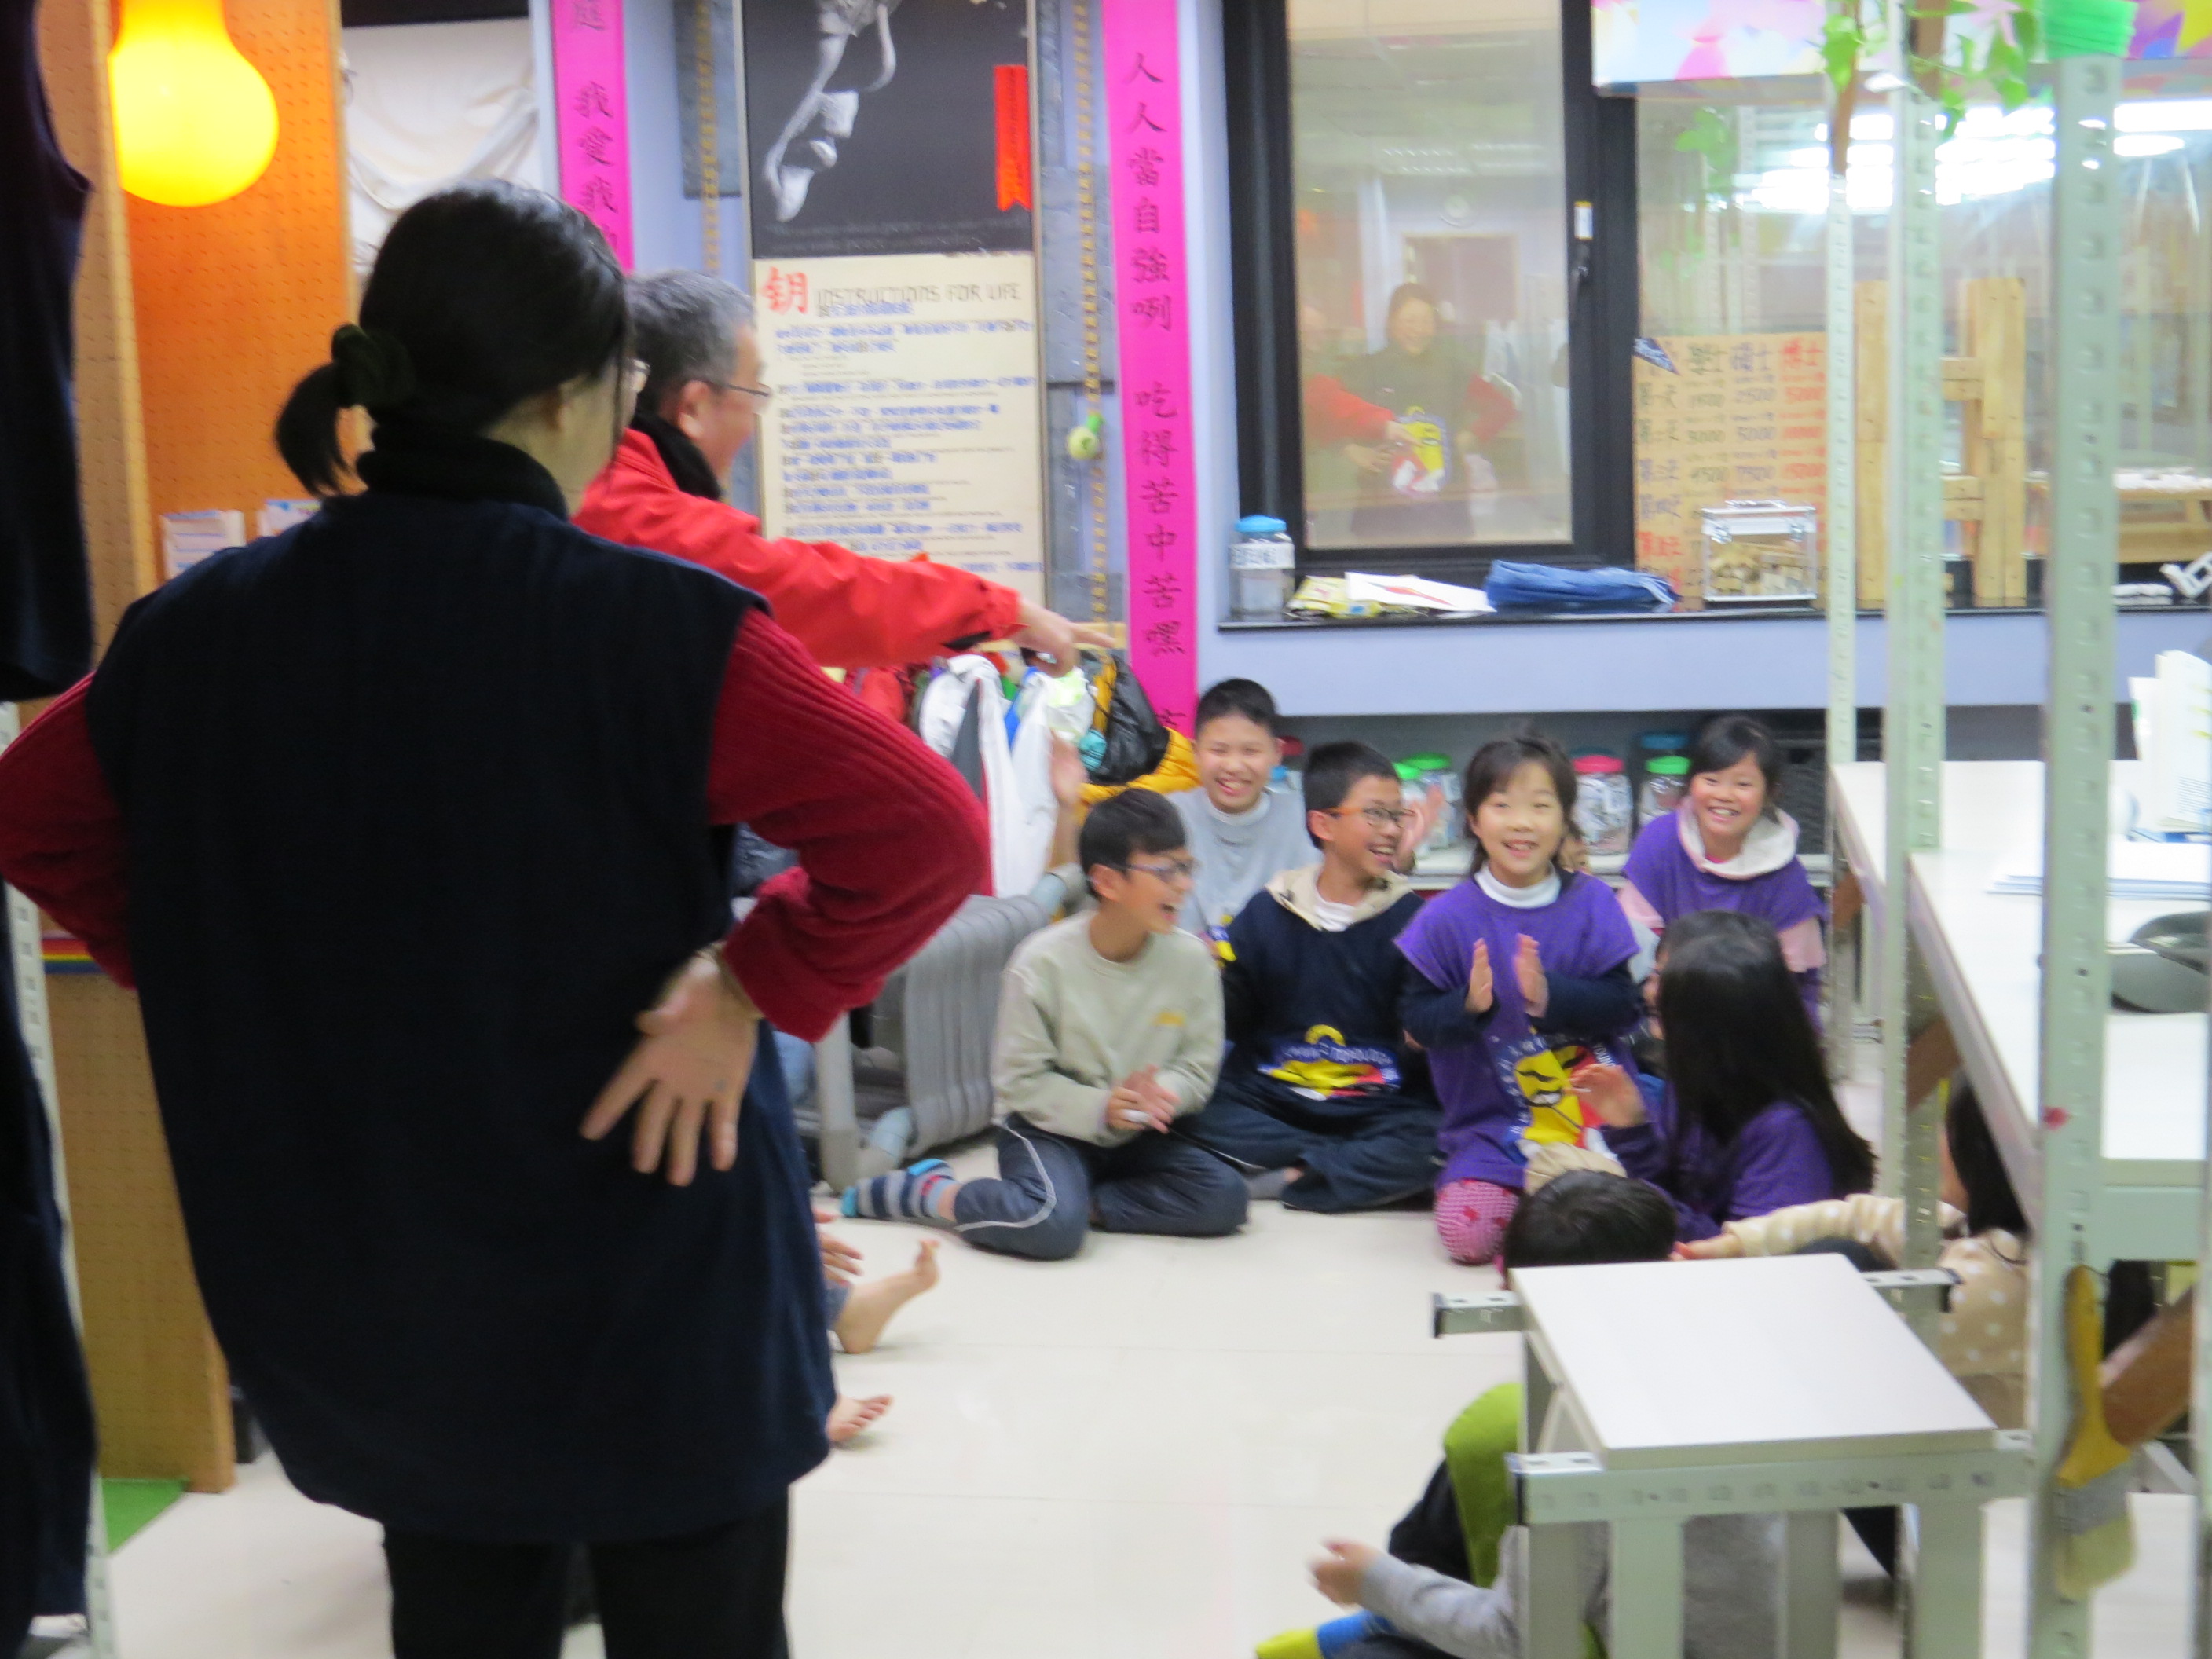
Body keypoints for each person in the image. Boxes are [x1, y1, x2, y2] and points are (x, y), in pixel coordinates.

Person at [0, 181, 987, 1658]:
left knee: (458, 1605)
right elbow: (926, 833)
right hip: (648, 1262)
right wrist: (751, 983)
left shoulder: (198, 629)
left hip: (378, 1272)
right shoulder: (659, 625)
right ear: (578, 394)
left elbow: (32, 817)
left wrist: (218, 973)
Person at [1277, 1172, 1782, 1659]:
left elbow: (1515, 1638)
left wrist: (1376, 1582)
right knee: (1497, 1428)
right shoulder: (1736, 1356)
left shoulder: (1588, 1439)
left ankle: (1399, 1620)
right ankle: (1408, 1615)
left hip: (1637, 1639)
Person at [577, 269, 1101, 676]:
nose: (754, 422)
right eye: (754, 393)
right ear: (693, 406)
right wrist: (996, 610)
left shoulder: (607, 484)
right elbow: (817, 592)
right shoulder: (630, 515)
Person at [840, 789, 1247, 1259]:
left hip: (1139, 1132)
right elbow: (1019, 1085)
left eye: (1186, 867)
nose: (1184, 885)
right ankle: (936, 1194)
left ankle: (1073, 1206)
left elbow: (1197, 1067)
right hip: (1050, 1129)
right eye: (1165, 872)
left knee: (1226, 1198)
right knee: (1049, 1229)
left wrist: (1161, 1095)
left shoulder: (1192, 960)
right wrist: (1101, 1107)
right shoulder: (1041, 962)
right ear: (1107, 882)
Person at [1396, 733, 1642, 1266]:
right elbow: (1417, 1022)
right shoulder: (1443, 918)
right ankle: (1543, 1217)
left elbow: (1625, 1008)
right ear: (1474, 820)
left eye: (1541, 806)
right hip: (1493, 1133)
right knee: (1466, 1237)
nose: (1522, 823)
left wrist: (1551, 995)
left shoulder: (1594, 902)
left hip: (1590, 1124)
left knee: (1632, 1215)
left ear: (1565, 818)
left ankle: (1553, 1219)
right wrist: (1469, 1006)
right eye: (1502, 806)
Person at [1181, 742, 1441, 1211]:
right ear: (1324, 824)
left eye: (1397, 816)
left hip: (1375, 1108)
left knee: (1439, 1138)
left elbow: (1419, 1051)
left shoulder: (1415, 921)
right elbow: (1234, 1021)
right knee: (1190, 1112)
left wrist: (1427, 1037)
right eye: (1375, 814)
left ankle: (1287, 1176)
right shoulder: (1270, 908)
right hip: (1274, 1100)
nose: (1391, 830)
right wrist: (1205, 972)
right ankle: (1335, 1172)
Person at [1681, 1080, 2026, 1427]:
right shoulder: (1988, 1236)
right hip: (1921, 1418)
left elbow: (1854, 1347)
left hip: (1960, 1452)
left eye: (1949, 1130)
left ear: (1983, 1156)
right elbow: (1858, 1217)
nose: (1939, 1142)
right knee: (1838, 1253)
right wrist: (1737, 1245)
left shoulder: (2000, 1282)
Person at [1575, 910, 1873, 1242]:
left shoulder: (1788, 1132)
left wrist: (1618, 1190)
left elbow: (1737, 1253)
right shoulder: (1696, 1084)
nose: (1650, 993)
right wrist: (1631, 1130)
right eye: (1657, 975)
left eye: (1668, 987)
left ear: (1713, 1023)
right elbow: (1675, 1196)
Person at [1620, 715, 1826, 1022]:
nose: (1724, 796)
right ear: (1691, 783)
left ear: (1770, 793)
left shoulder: (1785, 874)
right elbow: (1635, 937)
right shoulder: (1660, 840)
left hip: (1756, 1011)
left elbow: (1789, 977)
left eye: (1743, 784)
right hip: (1667, 1001)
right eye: (1711, 780)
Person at [1338, 284, 1520, 548]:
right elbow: (1320, 415)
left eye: (1426, 321)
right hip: (1382, 511)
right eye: (1409, 320)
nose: (1418, 330)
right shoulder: (1366, 370)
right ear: (1391, 323)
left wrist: (1468, 438)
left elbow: (1502, 407)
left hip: (1444, 510)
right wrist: (1349, 449)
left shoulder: (1453, 370)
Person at [1166, 679, 1317, 948]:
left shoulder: (1309, 820)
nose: (1234, 766)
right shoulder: (1165, 818)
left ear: (1276, 753)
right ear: (1195, 752)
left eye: (1250, 751)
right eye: (1219, 750)